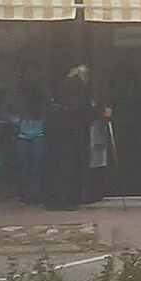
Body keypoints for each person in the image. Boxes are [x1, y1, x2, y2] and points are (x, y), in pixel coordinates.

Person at [42, 66, 93, 211]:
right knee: (69, 166)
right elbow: (82, 110)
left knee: (55, 165)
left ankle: (53, 200)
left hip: (56, 132)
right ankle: (67, 200)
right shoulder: (78, 89)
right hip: (71, 133)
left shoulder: (60, 90)